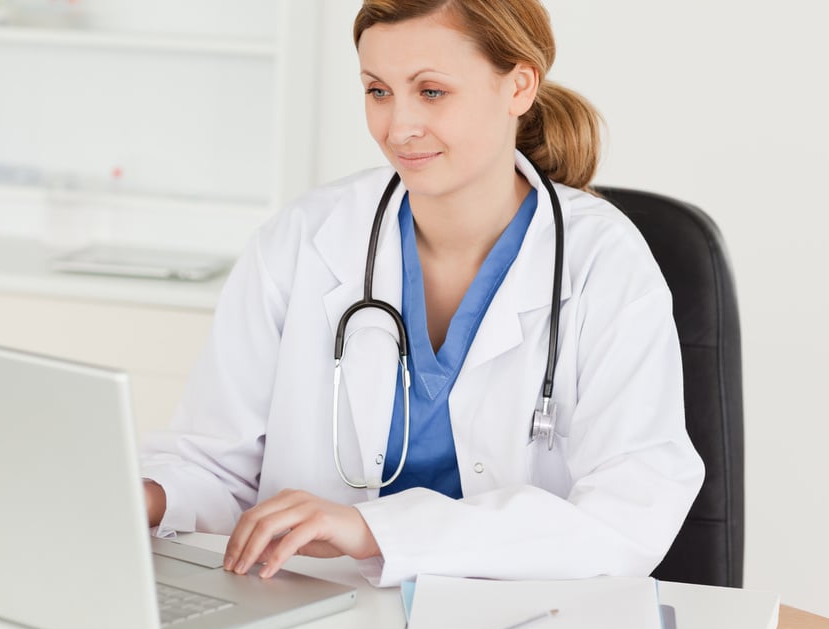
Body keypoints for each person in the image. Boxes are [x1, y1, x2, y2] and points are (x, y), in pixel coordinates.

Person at [140, 0, 704, 588]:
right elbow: (215, 466)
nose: (398, 126)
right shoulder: (305, 239)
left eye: (431, 92)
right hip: (316, 609)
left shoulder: (603, 262)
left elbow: (629, 512)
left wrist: (374, 529)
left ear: (519, 86)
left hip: (525, 618)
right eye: (377, 91)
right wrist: (146, 496)